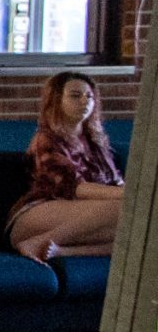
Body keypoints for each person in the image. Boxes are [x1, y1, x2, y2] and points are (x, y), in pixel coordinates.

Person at [9, 71, 124, 262]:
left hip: (88, 213)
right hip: (40, 212)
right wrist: (129, 197)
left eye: (89, 96)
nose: (85, 101)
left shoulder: (96, 142)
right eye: (75, 95)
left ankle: (61, 251)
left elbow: (115, 182)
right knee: (127, 207)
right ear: (57, 100)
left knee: (146, 225)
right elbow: (73, 187)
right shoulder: (46, 139)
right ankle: (38, 242)